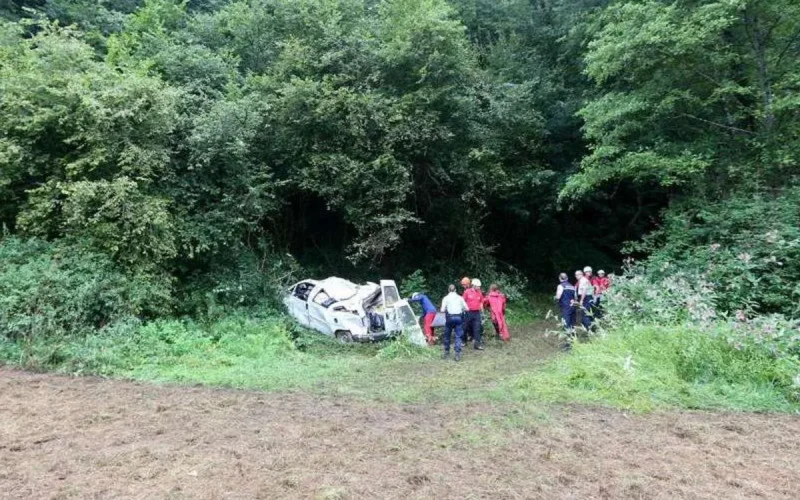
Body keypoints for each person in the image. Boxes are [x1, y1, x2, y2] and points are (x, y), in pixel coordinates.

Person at [440, 284, 468, 361]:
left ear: (448, 290)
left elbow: (442, 310)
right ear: (455, 290)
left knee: (447, 335)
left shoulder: (445, 298)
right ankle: (457, 354)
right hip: (459, 318)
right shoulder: (460, 298)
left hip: (449, 318)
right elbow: (467, 308)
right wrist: (461, 309)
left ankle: (447, 351)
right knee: (458, 336)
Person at [463, 278, 485, 350]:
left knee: (477, 328)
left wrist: (482, 312)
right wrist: (464, 310)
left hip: (477, 313)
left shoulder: (479, 292)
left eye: (479, 286)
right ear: (474, 285)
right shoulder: (467, 292)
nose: (479, 287)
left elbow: (481, 302)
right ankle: (464, 341)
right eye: (478, 286)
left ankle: (477, 345)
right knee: (465, 327)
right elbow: (463, 302)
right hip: (468, 312)